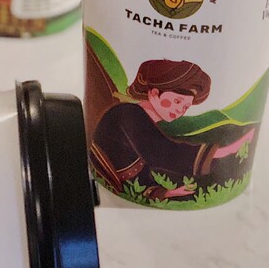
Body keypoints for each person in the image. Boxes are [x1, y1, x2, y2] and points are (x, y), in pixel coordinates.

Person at [90, 59, 255, 200]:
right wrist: (224, 151)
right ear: (154, 93)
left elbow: (139, 177)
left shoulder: (141, 120)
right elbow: (164, 152)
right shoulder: (128, 112)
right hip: (97, 190)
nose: (180, 110)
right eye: (177, 101)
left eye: (185, 107)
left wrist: (168, 193)